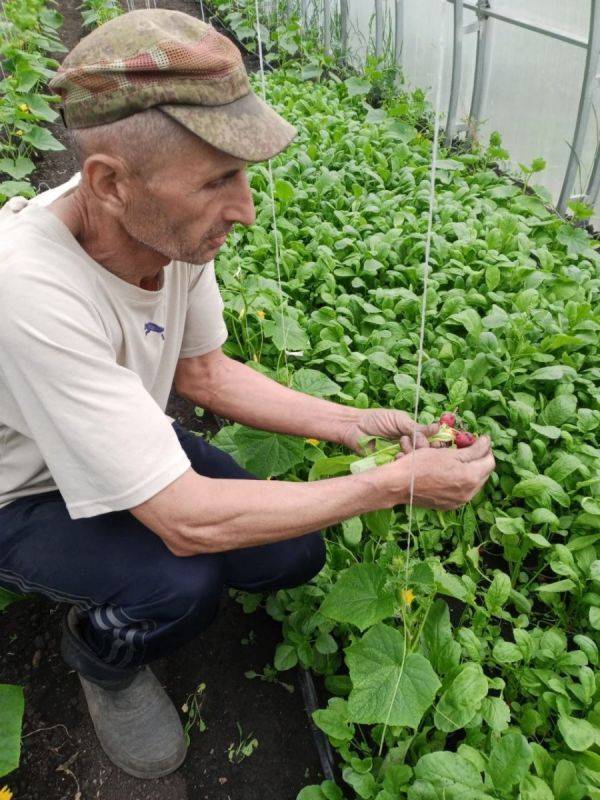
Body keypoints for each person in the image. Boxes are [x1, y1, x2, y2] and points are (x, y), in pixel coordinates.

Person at [0, 9, 495, 780]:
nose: (246, 209)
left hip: (119, 441)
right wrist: (392, 485)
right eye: (219, 179)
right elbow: (186, 523)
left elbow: (204, 373)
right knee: (182, 579)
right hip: (24, 491)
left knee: (287, 552)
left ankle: (129, 586)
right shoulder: (28, 288)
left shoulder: (164, 226)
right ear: (109, 183)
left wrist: (355, 426)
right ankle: (104, 656)